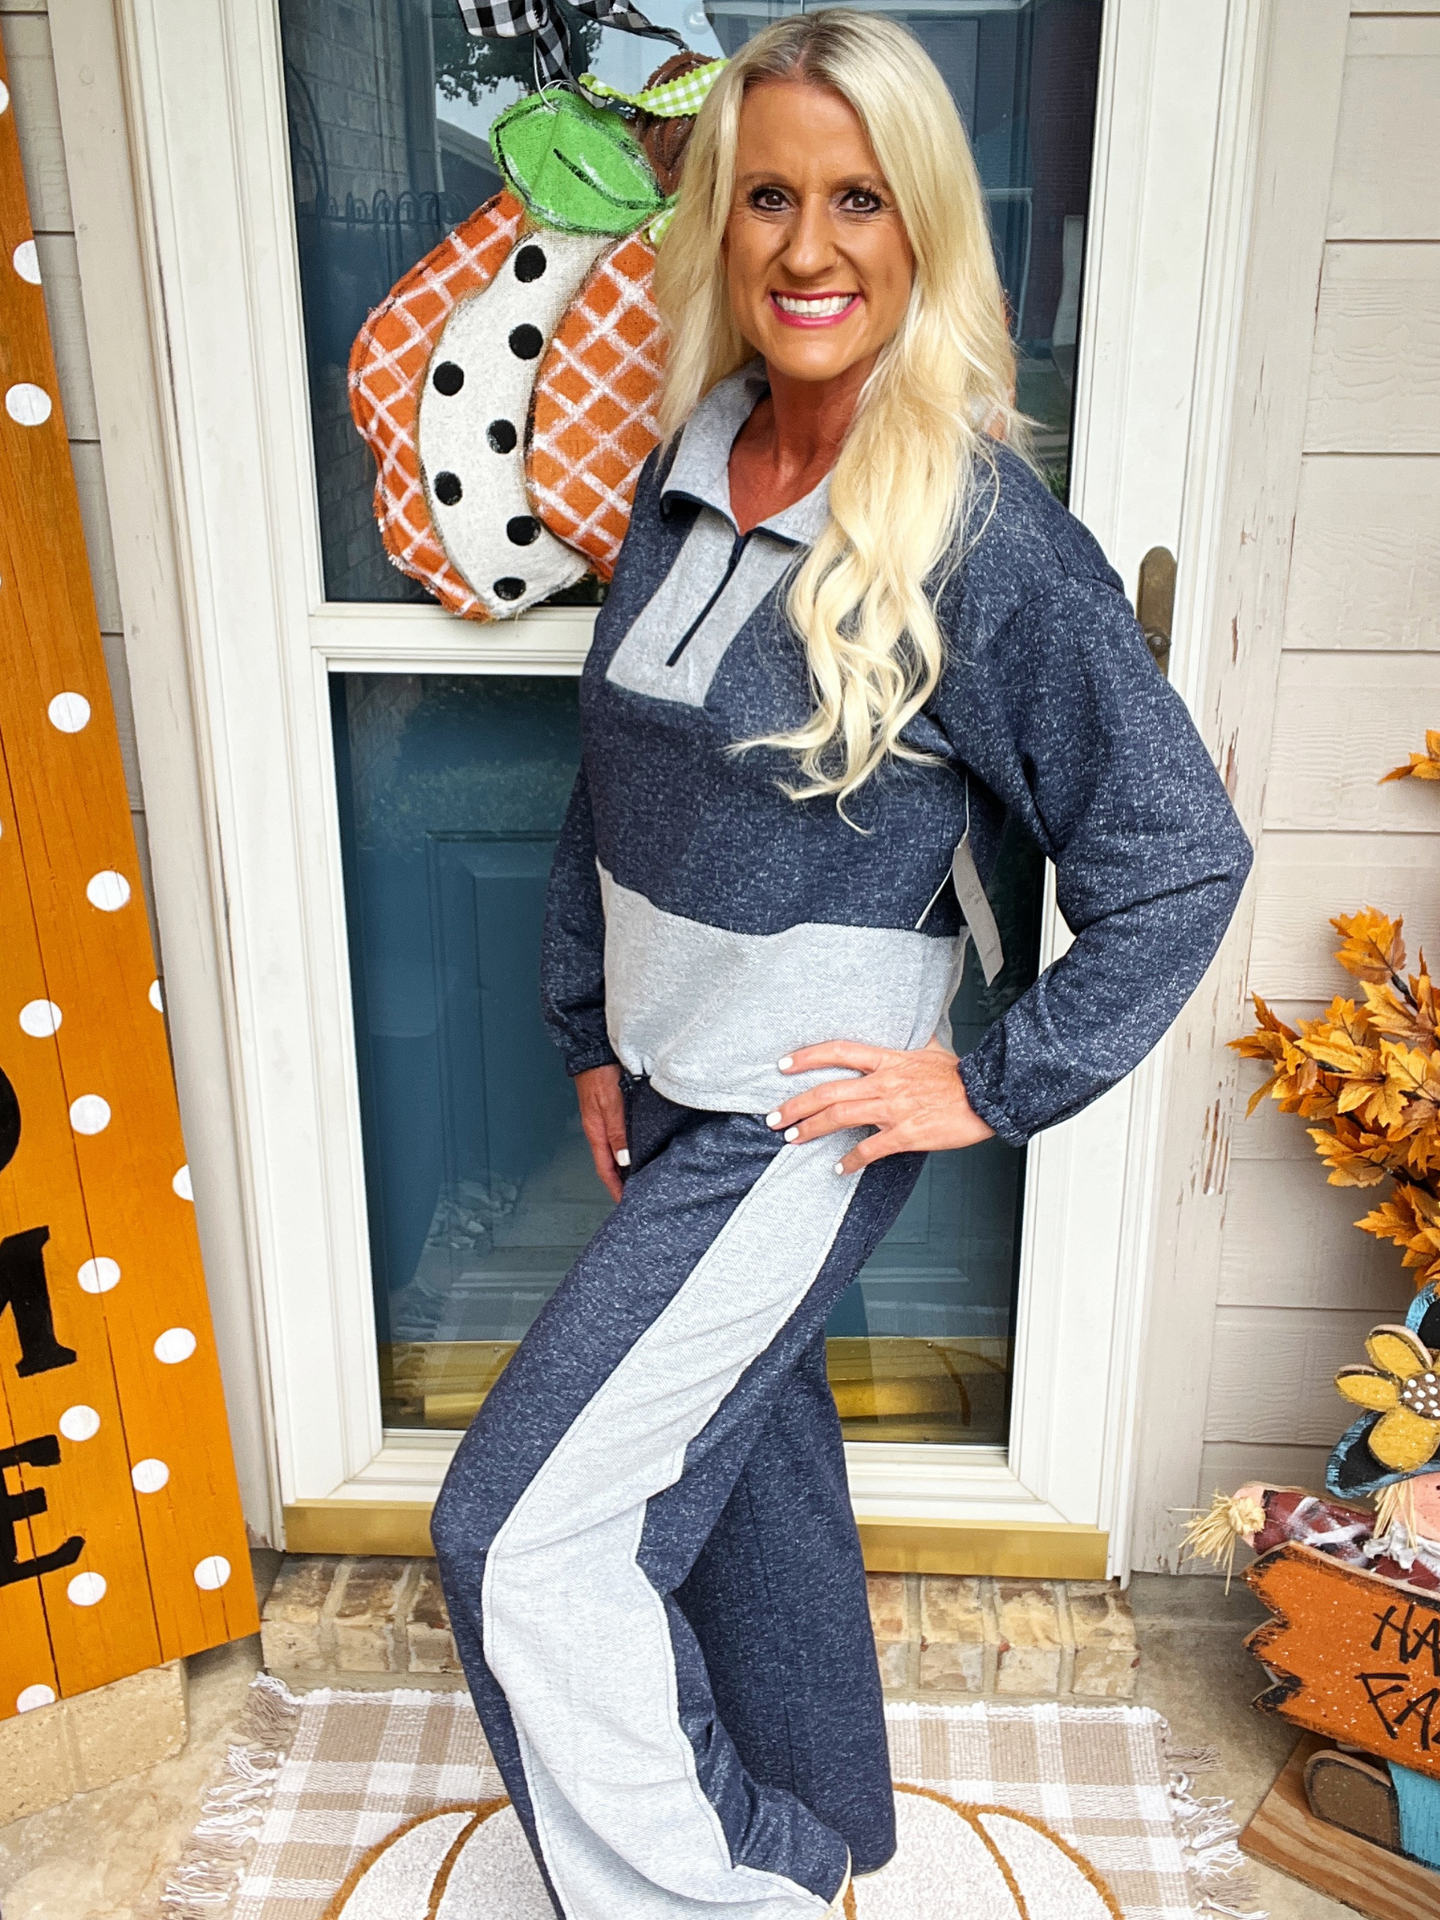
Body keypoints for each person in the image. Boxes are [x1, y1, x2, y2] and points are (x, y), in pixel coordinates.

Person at [431, 13, 1252, 1917]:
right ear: (719, 227)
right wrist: (588, 1025)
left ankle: (729, 1888)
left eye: (859, 199)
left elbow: (1177, 859)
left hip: (796, 1127)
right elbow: (611, 793)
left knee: (526, 1534)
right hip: (670, 1086)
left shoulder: (977, 536)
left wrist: (989, 1078)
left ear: (922, 233)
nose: (811, 248)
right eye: (773, 197)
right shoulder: (695, 471)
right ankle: (832, 1824)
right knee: (745, 1448)